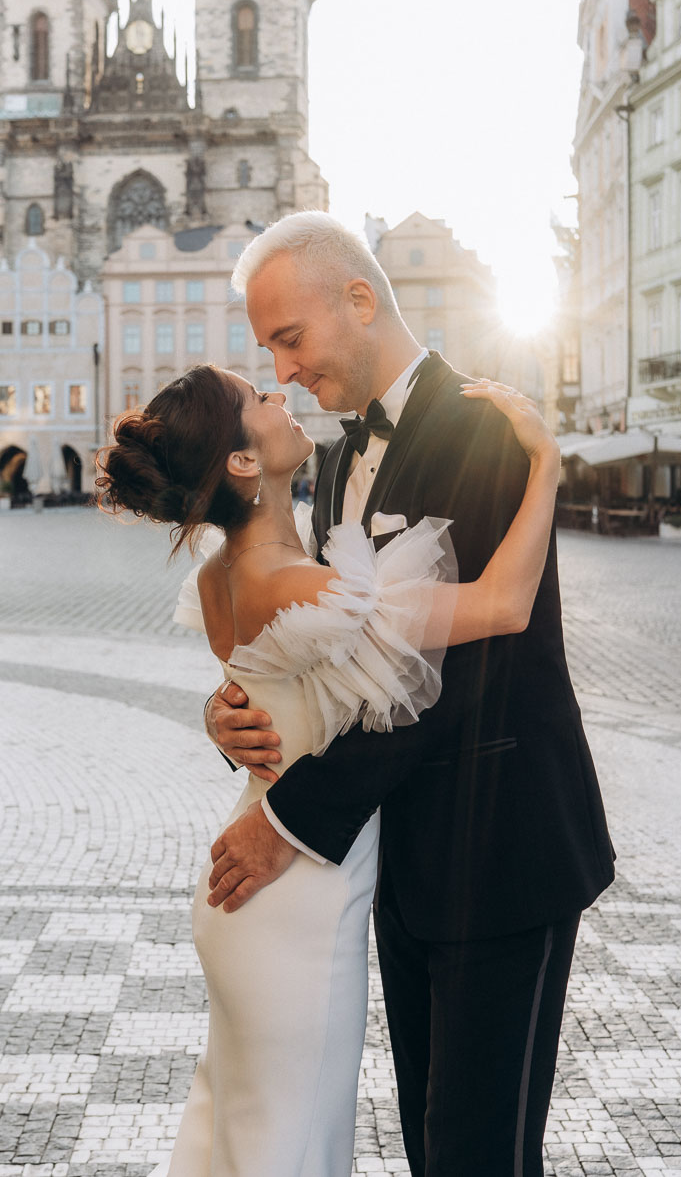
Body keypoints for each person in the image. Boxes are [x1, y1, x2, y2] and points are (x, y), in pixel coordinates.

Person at [205, 212, 615, 1177]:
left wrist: (290, 820)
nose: (284, 371)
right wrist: (238, 716)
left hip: (506, 850)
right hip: (407, 867)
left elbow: (461, 675)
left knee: (483, 1156)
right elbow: (342, 661)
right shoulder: (340, 456)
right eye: (267, 349)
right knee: (437, 1148)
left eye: (290, 339)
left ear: (358, 300)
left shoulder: (483, 425)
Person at [95, 361, 563, 1176]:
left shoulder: (218, 580)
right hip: (296, 893)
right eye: (260, 398)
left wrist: (218, 713)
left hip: (255, 887)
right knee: (290, 1139)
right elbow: (503, 606)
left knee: (241, 1128)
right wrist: (548, 464)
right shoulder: (309, 587)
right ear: (243, 461)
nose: (282, 392)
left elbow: (262, 699)